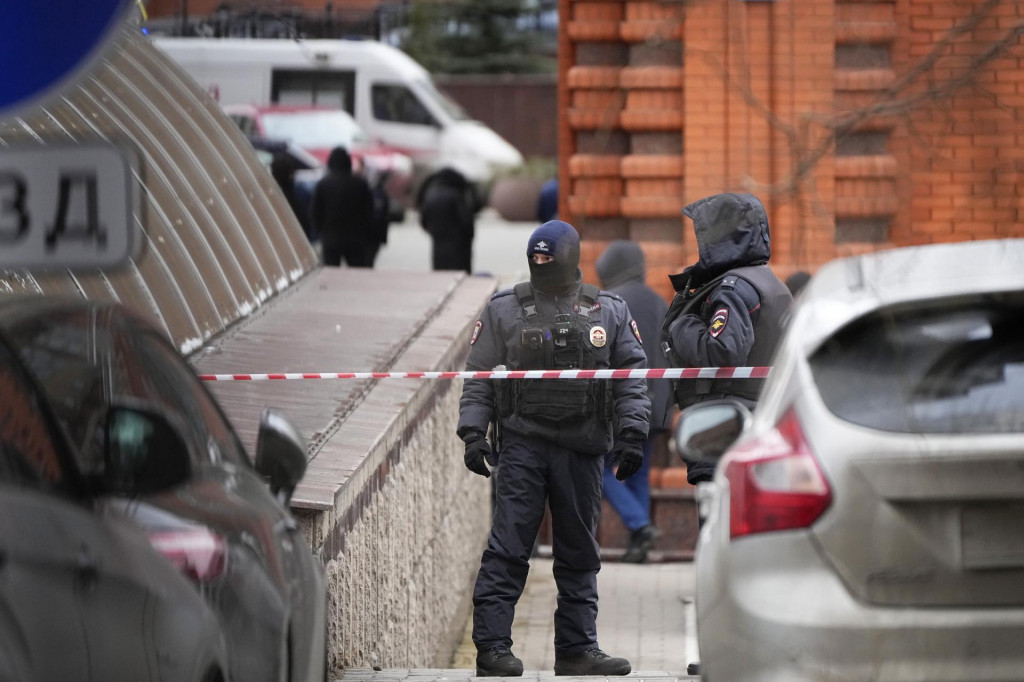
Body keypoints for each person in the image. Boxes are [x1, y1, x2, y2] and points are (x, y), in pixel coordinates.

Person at [458, 219, 650, 677]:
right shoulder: (506, 308)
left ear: (568, 257)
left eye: (549, 257)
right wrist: (472, 433)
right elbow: (480, 374)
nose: (541, 265)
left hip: (583, 448)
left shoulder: (609, 311)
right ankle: (491, 647)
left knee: (579, 551)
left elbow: (631, 376)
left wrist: (632, 433)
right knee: (508, 548)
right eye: (535, 258)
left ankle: (577, 648)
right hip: (523, 445)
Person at [661, 192, 792, 487]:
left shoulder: (733, 288)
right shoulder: (769, 282)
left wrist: (682, 326)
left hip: (725, 428)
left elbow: (723, 350)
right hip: (759, 419)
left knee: (717, 524)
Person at [595, 240, 670, 563]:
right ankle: (640, 542)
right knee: (636, 470)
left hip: (621, 406)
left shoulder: (609, 303)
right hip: (656, 407)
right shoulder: (659, 303)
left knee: (598, 468)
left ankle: (639, 524)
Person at [310, 146, 375, 267]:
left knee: (332, 271)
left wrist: (320, 231)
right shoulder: (360, 183)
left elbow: (315, 211)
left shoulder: (323, 184)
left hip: (330, 237)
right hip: (355, 237)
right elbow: (369, 210)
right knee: (357, 271)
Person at [419, 168, 475, 273]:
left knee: (441, 274)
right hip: (459, 244)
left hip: (438, 242)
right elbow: (466, 220)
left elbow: (423, 220)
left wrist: (434, 232)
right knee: (459, 274)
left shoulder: (431, 194)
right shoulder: (456, 195)